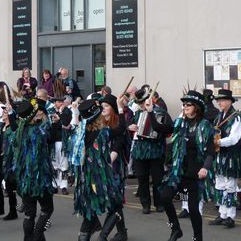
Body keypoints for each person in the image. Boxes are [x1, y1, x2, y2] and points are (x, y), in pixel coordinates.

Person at [154, 90, 215, 241]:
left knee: (194, 210)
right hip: (178, 172)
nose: (185, 107)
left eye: (188, 104)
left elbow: (211, 152)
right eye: (184, 104)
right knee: (164, 197)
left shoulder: (205, 125)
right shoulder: (180, 123)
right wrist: (150, 112)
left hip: (195, 173)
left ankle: (197, 237)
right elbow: (161, 129)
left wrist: (205, 168)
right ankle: (175, 229)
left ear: (197, 107)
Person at [72, 99, 124, 241]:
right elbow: (121, 128)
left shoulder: (79, 133)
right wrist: (120, 108)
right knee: (116, 204)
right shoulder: (103, 132)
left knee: (89, 213)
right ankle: (102, 237)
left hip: (83, 179)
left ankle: (90, 235)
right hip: (100, 177)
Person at [14, 98, 59, 241]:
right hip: (39, 179)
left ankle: (29, 238)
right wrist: (50, 118)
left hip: (24, 179)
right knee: (47, 209)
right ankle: (36, 236)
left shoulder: (19, 131)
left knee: (29, 214)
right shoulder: (39, 131)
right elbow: (50, 133)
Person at [128, 87, 173, 214]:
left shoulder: (161, 112)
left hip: (155, 150)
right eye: (139, 103)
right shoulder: (137, 114)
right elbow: (129, 125)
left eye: (142, 103)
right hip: (139, 151)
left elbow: (169, 128)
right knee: (142, 179)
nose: (141, 105)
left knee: (158, 179)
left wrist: (158, 128)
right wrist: (130, 127)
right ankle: (145, 204)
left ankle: (159, 204)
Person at [209, 89, 241, 228]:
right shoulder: (219, 116)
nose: (219, 102)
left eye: (222, 100)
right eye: (218, 100)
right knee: (219, 185)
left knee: (230, 186)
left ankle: (230, 216)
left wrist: (218, 142)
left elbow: (234, 138)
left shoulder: (237, 117)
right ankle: (222, 214)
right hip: (219, 155)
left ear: (230, 101)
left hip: (231, 156)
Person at [98, 94, 129, 241]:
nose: (103, 109)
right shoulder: (100, 124)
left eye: (106, 106)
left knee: (114, 202)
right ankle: (122, 233)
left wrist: (106, 164)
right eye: (102, 106)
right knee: (114, 203)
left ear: (113, 108)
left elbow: (117, 147)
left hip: (114, 167)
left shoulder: (117, 126)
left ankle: (103, 235)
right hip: (104, 165)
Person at [0, 102, 18, 220]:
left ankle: (13, 211)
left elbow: (15, 126)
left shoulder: (14, 128)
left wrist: (11, 113)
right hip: (0, 159)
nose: (4, 113)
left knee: (10, 187)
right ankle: (0, 208)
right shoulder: (0, 126)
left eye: (6, 111)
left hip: (10, 160)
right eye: (4, 111)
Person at [51, 95, 73, 195]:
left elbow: (65, 123)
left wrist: (60, 114)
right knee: (55, 164)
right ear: (55, 102)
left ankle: (64, 186)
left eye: (62, 101)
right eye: (59, 102)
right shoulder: (51, 111)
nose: (61, 103)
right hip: (53, 141)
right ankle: (54, 185)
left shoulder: (68, 112)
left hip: (64, 141)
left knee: (64, 164)